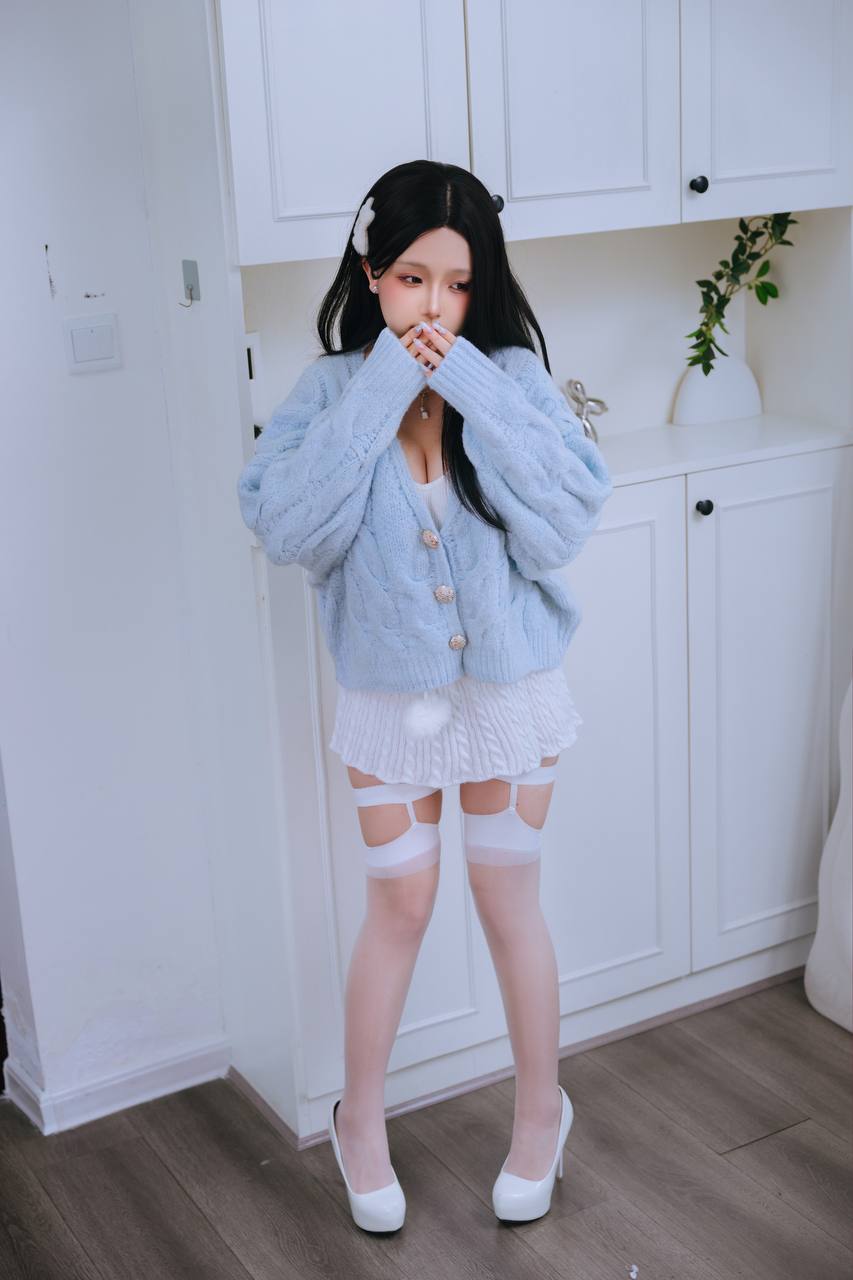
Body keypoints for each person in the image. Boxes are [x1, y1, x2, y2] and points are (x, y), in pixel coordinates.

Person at [236, 159, 613, 1232]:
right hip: (390, 702)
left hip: (508, 691)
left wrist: (475, 387)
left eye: (457, 283)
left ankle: (540, 1114)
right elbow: (287, 529)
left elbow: (566, 521)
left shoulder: (509, 378)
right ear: (371, 274)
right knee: (399, 906)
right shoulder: (329, 392)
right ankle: (358, 1121)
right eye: (411, 279)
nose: (434, 307)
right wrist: (380, 390)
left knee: (506, 900)